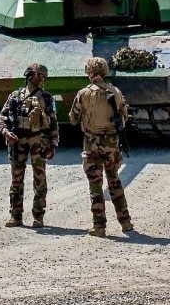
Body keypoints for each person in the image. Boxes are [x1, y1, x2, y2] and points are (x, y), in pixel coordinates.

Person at [69, 57, 133, 237]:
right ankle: (126, 222)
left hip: (92, 143)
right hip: (111, 143)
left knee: (95, 185)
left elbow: (73, 119)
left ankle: (99, 226)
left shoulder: (83, 93)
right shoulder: (116, 91)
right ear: (104, 71)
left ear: (89, 73)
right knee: (114, 181)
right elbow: (124, 117)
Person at [0, 63, 59, 228]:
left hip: (38, 140)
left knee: (40, 179)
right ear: (30, 75)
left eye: (44, 77)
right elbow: (3, 117)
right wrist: (6, 132)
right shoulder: (15, 96)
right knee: (16, 179)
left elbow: (53, 122)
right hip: (18, 140)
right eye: (39, 76)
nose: (41, 80)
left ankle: (38, 216)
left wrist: (53, 144)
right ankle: (15, 216)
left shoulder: (46, 98)